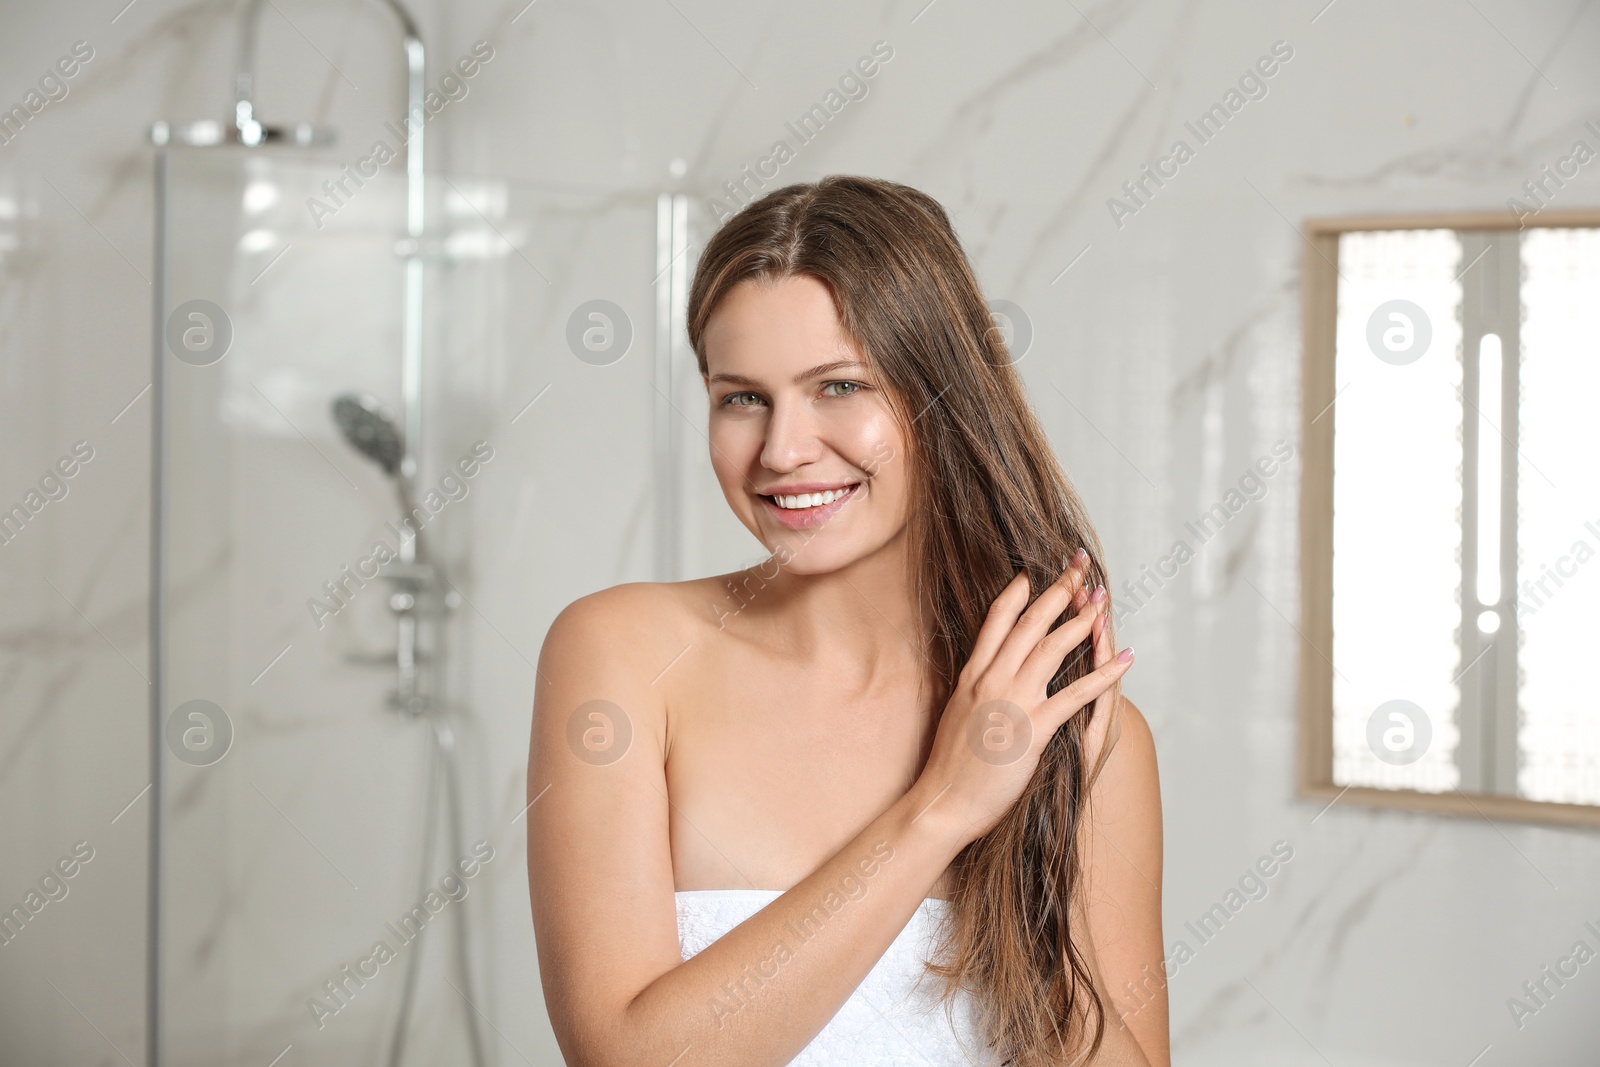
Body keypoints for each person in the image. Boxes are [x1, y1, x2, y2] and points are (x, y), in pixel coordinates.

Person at [527, 175, 1167, 1066]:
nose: (782, 449)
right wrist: (940, 811)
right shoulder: (625, 658)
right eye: (741, 396)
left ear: (943, 399)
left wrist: (1034, 855)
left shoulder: (1071, 725)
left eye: (838, 386)